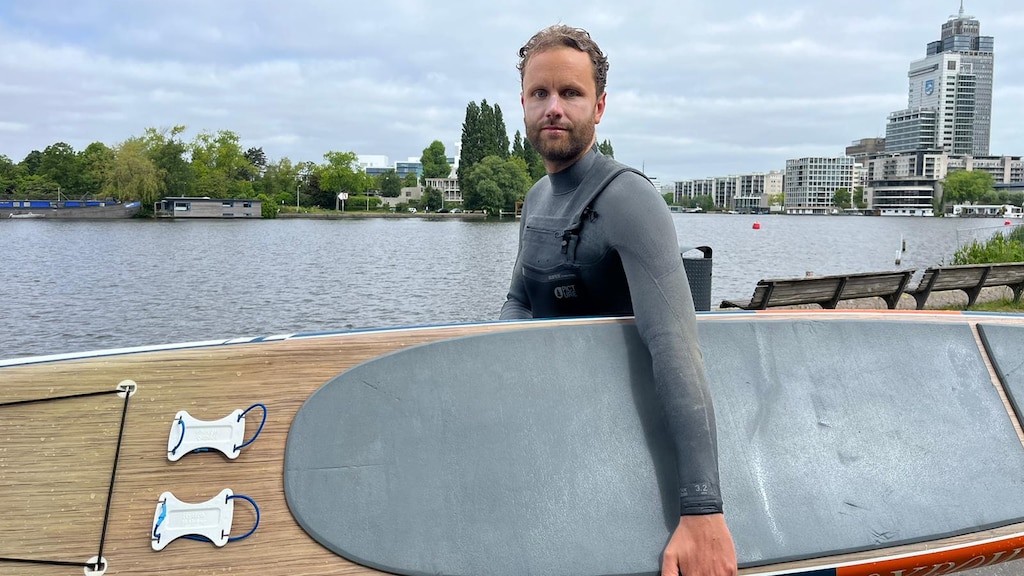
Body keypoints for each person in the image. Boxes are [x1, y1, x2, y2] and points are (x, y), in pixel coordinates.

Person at [500, 24, 738, 576]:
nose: (553, 107)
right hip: (556, 435)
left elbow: (676, 349)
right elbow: (517, 301)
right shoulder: (536, 199)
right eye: (540, 94)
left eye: (571, 93)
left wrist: (702, 508)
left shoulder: (630, 198)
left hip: (623, 447)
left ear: (600, 106)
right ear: (523, 103)